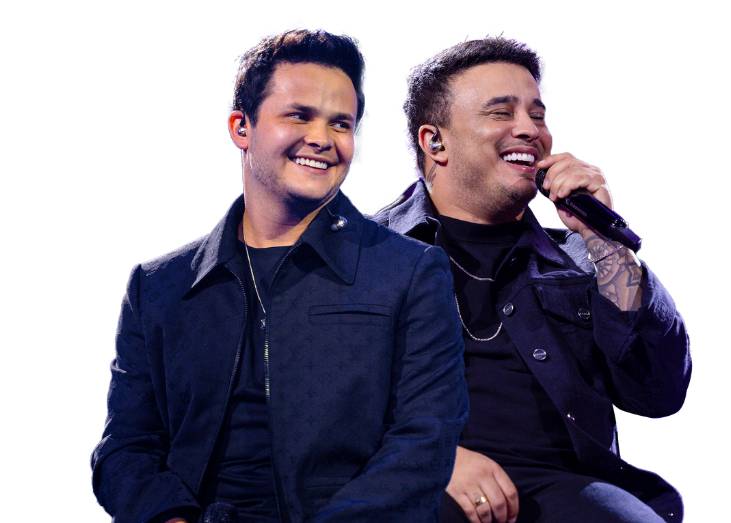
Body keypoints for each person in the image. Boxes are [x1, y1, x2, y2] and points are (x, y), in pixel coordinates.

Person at [91, 29, 468, 523]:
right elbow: (125, 449)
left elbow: (424, 443)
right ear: (241, 127)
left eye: (341, 124)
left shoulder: (410, 272)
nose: (322, 139)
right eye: (299, 115)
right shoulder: (159, 285)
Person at [373, 38, 691, 523]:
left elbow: (658, 391)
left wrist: (603, 238)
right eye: (501, 113)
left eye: (537, 116)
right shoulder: (360, 255)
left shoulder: (586, 258)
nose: (529, 130)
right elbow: (301, 400)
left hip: (565, 489)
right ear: (435, 142)